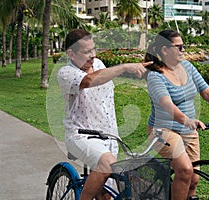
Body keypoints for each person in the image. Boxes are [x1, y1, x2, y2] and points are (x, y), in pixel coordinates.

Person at [144, 29, 209, 200]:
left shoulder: (187, 67)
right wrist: (186, 120)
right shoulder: (156, 76)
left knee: (193, 180)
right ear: (164, 50)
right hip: (162, 131)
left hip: (188, 132)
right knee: (185, 170)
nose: (183, 50)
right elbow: (167, 105)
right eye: (179, 47)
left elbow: (207, 92)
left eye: (183, 46)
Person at [57, 29, 151, 200]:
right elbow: (89, 81)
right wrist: (124, 67)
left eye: (94, 49)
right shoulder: (66, 73)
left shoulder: (99, 64)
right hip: (81, 136)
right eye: (86, 52)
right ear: (71, 53)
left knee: (107, 195)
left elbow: (102, 78)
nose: (92, 55)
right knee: (106, 164)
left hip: (109, 137)